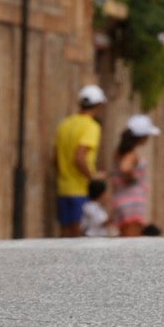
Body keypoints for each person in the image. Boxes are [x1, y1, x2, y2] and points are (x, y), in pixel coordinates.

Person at [55, 85, 106, 237]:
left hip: (63, 187)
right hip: (81, 189)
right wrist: (93, 178)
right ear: (98, 105)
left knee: (64, 235)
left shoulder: (64, 124)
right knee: (79, 236)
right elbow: (80, 157)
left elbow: (55, 158)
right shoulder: (92, 126)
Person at [110, 113, 161, 237]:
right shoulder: (130, 154)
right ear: (142, 137)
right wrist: (134, 178)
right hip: (132, 201)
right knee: (132, 242)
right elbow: (125, 168)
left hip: (120, 199)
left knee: (124, 238)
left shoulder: (120, 152)